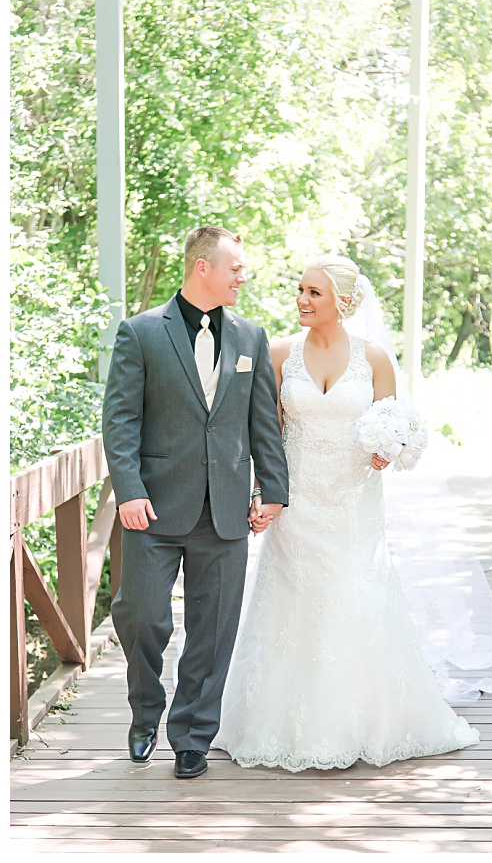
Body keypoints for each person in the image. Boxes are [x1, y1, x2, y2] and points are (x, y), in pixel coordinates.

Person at [212, 255, 480, 771]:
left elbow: (393, 423)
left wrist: (389, 450)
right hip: (297, 500)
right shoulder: (279, 354)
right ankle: (282, 723)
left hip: (354, 502)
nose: (302, 301)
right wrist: (263, 492)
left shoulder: (375, 359)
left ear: (344, 302)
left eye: (314, 292)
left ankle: (362, 720)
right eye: (300, 290)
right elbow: (265, 434)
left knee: (352, 596)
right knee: (294, 603)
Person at [102, 226, 289, 779]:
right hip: (153, 509)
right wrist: (129, 490)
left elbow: (263, 422)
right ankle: (144, 715)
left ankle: (191, 738)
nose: (243, 276)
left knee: (212, 630)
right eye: (235, 267)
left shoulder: (250, 337)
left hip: (226, 508)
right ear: (201, 268)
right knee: (140, 614)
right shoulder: (139, 333)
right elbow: (121, 421)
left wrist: (273, 491)